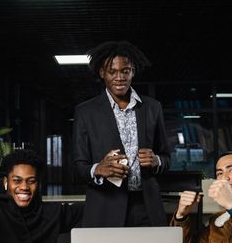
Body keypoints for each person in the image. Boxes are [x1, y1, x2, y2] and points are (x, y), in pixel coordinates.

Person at [72, 40, 171, 227]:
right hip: (105, 206)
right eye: (112, 71)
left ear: (132, 71)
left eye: (125, 71)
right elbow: (78, 167)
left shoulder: (152, 108)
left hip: (147, 207)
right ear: (102, 73)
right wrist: (98, 169)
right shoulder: (86, 112)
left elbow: (167, 157)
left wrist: (157, 160)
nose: (120, 77)